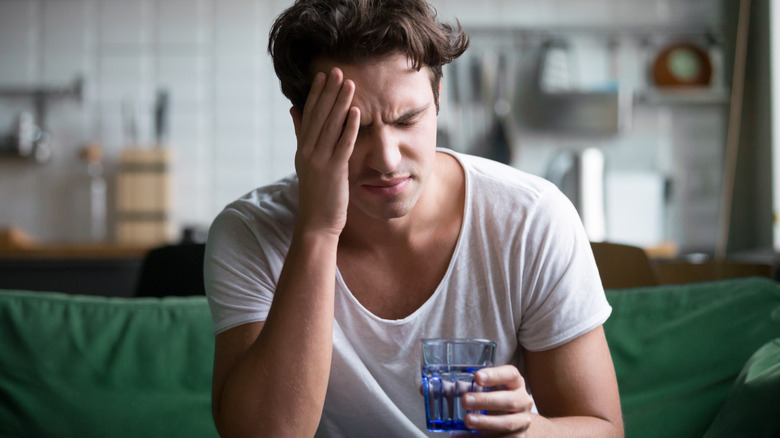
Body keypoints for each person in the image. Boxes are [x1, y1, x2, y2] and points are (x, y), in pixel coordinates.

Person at [204, 0, 623, 437]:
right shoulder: (250, 233)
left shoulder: (531, 220)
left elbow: (604, 429)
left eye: (408, 119)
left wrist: (527, 431)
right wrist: (317, 229)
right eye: (354, 127)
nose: (386, 159)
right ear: (303, 126)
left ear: (437, 98)